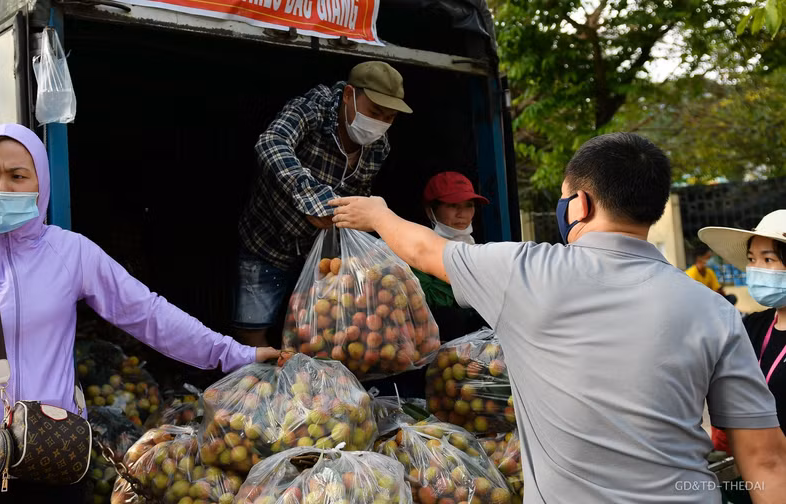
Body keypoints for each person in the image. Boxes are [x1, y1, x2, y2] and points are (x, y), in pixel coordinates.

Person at [331, 133, 786, 503]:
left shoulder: (524, 272)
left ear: (580, 205)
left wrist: (378, 213)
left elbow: (424, 250)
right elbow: (765, 461)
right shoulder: (714, 309)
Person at [0, 124, 279, 504]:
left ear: (41, 182)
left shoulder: (72, 252)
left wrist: (234, 353)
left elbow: (148, 314)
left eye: (17, 175)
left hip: (54, 459)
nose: (1, 188)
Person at [235, 61, 412, 346]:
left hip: (321, 259)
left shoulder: (379, 147)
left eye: (389, 117)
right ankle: (259, 388)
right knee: (252, 329)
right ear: (348, 95)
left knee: (317, 330)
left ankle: (308, 388)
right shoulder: (315, 108)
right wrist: (312, 200)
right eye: (375, 112)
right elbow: (271, 142)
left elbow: (359, 195)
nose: (380, 123)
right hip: (267, 244)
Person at [699, 210, 786, 503]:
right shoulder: (751, 325)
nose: (756, 268)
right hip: (745, 475)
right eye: (751, 259)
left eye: (768, 259)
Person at [415, 171, 489, 341]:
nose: (462, 214)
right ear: (430, 211)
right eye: (453, 205)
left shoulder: (479, 250)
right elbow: (426, 299)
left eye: (469, 205)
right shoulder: (417, 253)